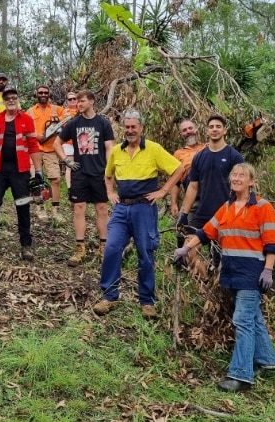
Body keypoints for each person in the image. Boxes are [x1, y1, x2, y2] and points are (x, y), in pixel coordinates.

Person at [173, 163, 275, 392]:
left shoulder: (263, 207)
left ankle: (241, 376)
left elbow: (272, 242)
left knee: (242, 320)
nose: (236, 178)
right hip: (231, 271)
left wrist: (268, 270)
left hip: (252, 273)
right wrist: (186, 248)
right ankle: (268, 362)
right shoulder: (227, 207)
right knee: (253, 318)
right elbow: (206, 232)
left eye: (242, 175)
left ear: (251, 181)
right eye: (234, 175)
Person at [93, 110, 184, 318]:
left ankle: (146, 301)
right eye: (127, 127)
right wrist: (110, 192)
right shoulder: (117, 150)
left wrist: (163, 191)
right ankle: (109, 297)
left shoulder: (153, 149)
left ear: (141, 128)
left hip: (144, 208)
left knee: (145, 253)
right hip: (121, 209)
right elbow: (108, 175)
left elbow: (179, 169)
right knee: (112, 248)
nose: (130, 131)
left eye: (134, 127)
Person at [54, 89, 114, 266]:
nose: (78, 104)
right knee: (79, 208)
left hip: (99, 172)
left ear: (92, 101)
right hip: (80, 173)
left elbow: (110, 147)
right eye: (77, 102)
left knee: (102, 208)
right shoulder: (73, 124)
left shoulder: (103, 123)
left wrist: (109, 171)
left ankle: (104, 248)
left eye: (82, 101)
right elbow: (58, 143)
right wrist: (66, 160)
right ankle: (80, 248)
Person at [0, 85, 43, 260]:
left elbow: (33, 146)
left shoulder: (27, 119)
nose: (11, 100)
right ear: (4, 100)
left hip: (20, 170)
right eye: (7, 98)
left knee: (23, 205)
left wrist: (38, 170)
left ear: (17, 100)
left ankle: (26, 245)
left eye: (13, 97)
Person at [177, 114, 244, 270]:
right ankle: (206, 281)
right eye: (211, 127)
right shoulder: (199, 157)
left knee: (220, 259)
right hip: (202, 214)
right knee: (188, 251)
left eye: (218, 127)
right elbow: (193, 187)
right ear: (207, 131)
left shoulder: (234, 156)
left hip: (226, 215)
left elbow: (243, 186)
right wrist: (184, 214)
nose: (214, 130)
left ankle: (217, 284)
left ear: (224, 131)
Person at [26, 84, 69, 223]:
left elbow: (70, 118)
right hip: (35, 149)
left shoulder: (57, 109)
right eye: (40, 92)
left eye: (46, 92)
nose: (43, 94)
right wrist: (36, 136)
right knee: (37, 181)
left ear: (49, 94)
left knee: (56, 179)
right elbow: (24, 129)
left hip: (51, 149)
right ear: (36, 94)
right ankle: (40, 209)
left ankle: (55, 210)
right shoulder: (30, 111)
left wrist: (60, 126)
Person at [169, 119, 206, 248]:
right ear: (181, 134)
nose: (188, 132)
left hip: (211, 197)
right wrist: (174, 203)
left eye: (190, 128)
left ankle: (214, 263)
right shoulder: (179, 154)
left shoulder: (208, 147)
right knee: (182, 231)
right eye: (184, 130)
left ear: (196, 129)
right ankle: (181, 262)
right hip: (192, 199)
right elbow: (175, 182)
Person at [62, 91, 79, 189]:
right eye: (70, 99)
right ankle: (70, 187)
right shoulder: (65, 112)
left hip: (81, 143)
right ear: (67, 101)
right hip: (68, 143)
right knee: (70, 166)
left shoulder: (82, 110)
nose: (72, 100)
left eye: (74, 98)